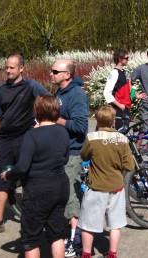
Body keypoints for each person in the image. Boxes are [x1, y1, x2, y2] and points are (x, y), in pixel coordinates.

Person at [0, 52, 50, 237]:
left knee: (28, 178)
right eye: (7, 67)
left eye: (12, 67)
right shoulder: (0, 90)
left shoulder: (31, 86)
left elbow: (48, 101)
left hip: (25, 138)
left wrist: (39, 122)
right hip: (5, 141)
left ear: (21, 68)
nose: (8, 70)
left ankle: (32, 218)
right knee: (1, 179)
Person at [0, 96, 70, 258]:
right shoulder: (63, 132)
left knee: (31, 238)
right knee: (57, 234)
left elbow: (23, 167)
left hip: (38, 189)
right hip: (60, 185)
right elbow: (65, 159)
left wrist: (8, 174)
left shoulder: (31, 135)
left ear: (37, 111)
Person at [78, 105, 135, 258]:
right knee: (115, 224)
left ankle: (86, 253)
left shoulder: (92, 138)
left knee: (88, 224)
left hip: (96, 186)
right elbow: (129, 165)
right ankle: (112, 253)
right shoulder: (122, 139)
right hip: (116, 186)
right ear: (113, 121)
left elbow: (84, 155)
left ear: (97, 120)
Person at [51, 59, 89, 256]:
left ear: (67, 75)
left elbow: (82, 126)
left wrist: (55, 120)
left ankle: (75, 242)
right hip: (61, 152)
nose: (51, 73)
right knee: (65, 196)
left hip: (73, 153)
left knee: (71, 198)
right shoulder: (60, 93)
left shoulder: (76, 95)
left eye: (55, 71)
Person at [103, 49, 131, 130]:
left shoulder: (124, 72)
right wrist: (120, 106)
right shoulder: (114, 73)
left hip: (126, 108)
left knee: (124, 135)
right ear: (120, 59)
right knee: (118, 136)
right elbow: (107, 93)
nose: (128, 60)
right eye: (126, 58)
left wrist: (136, 95)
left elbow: (126, 91)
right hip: (118, 110)